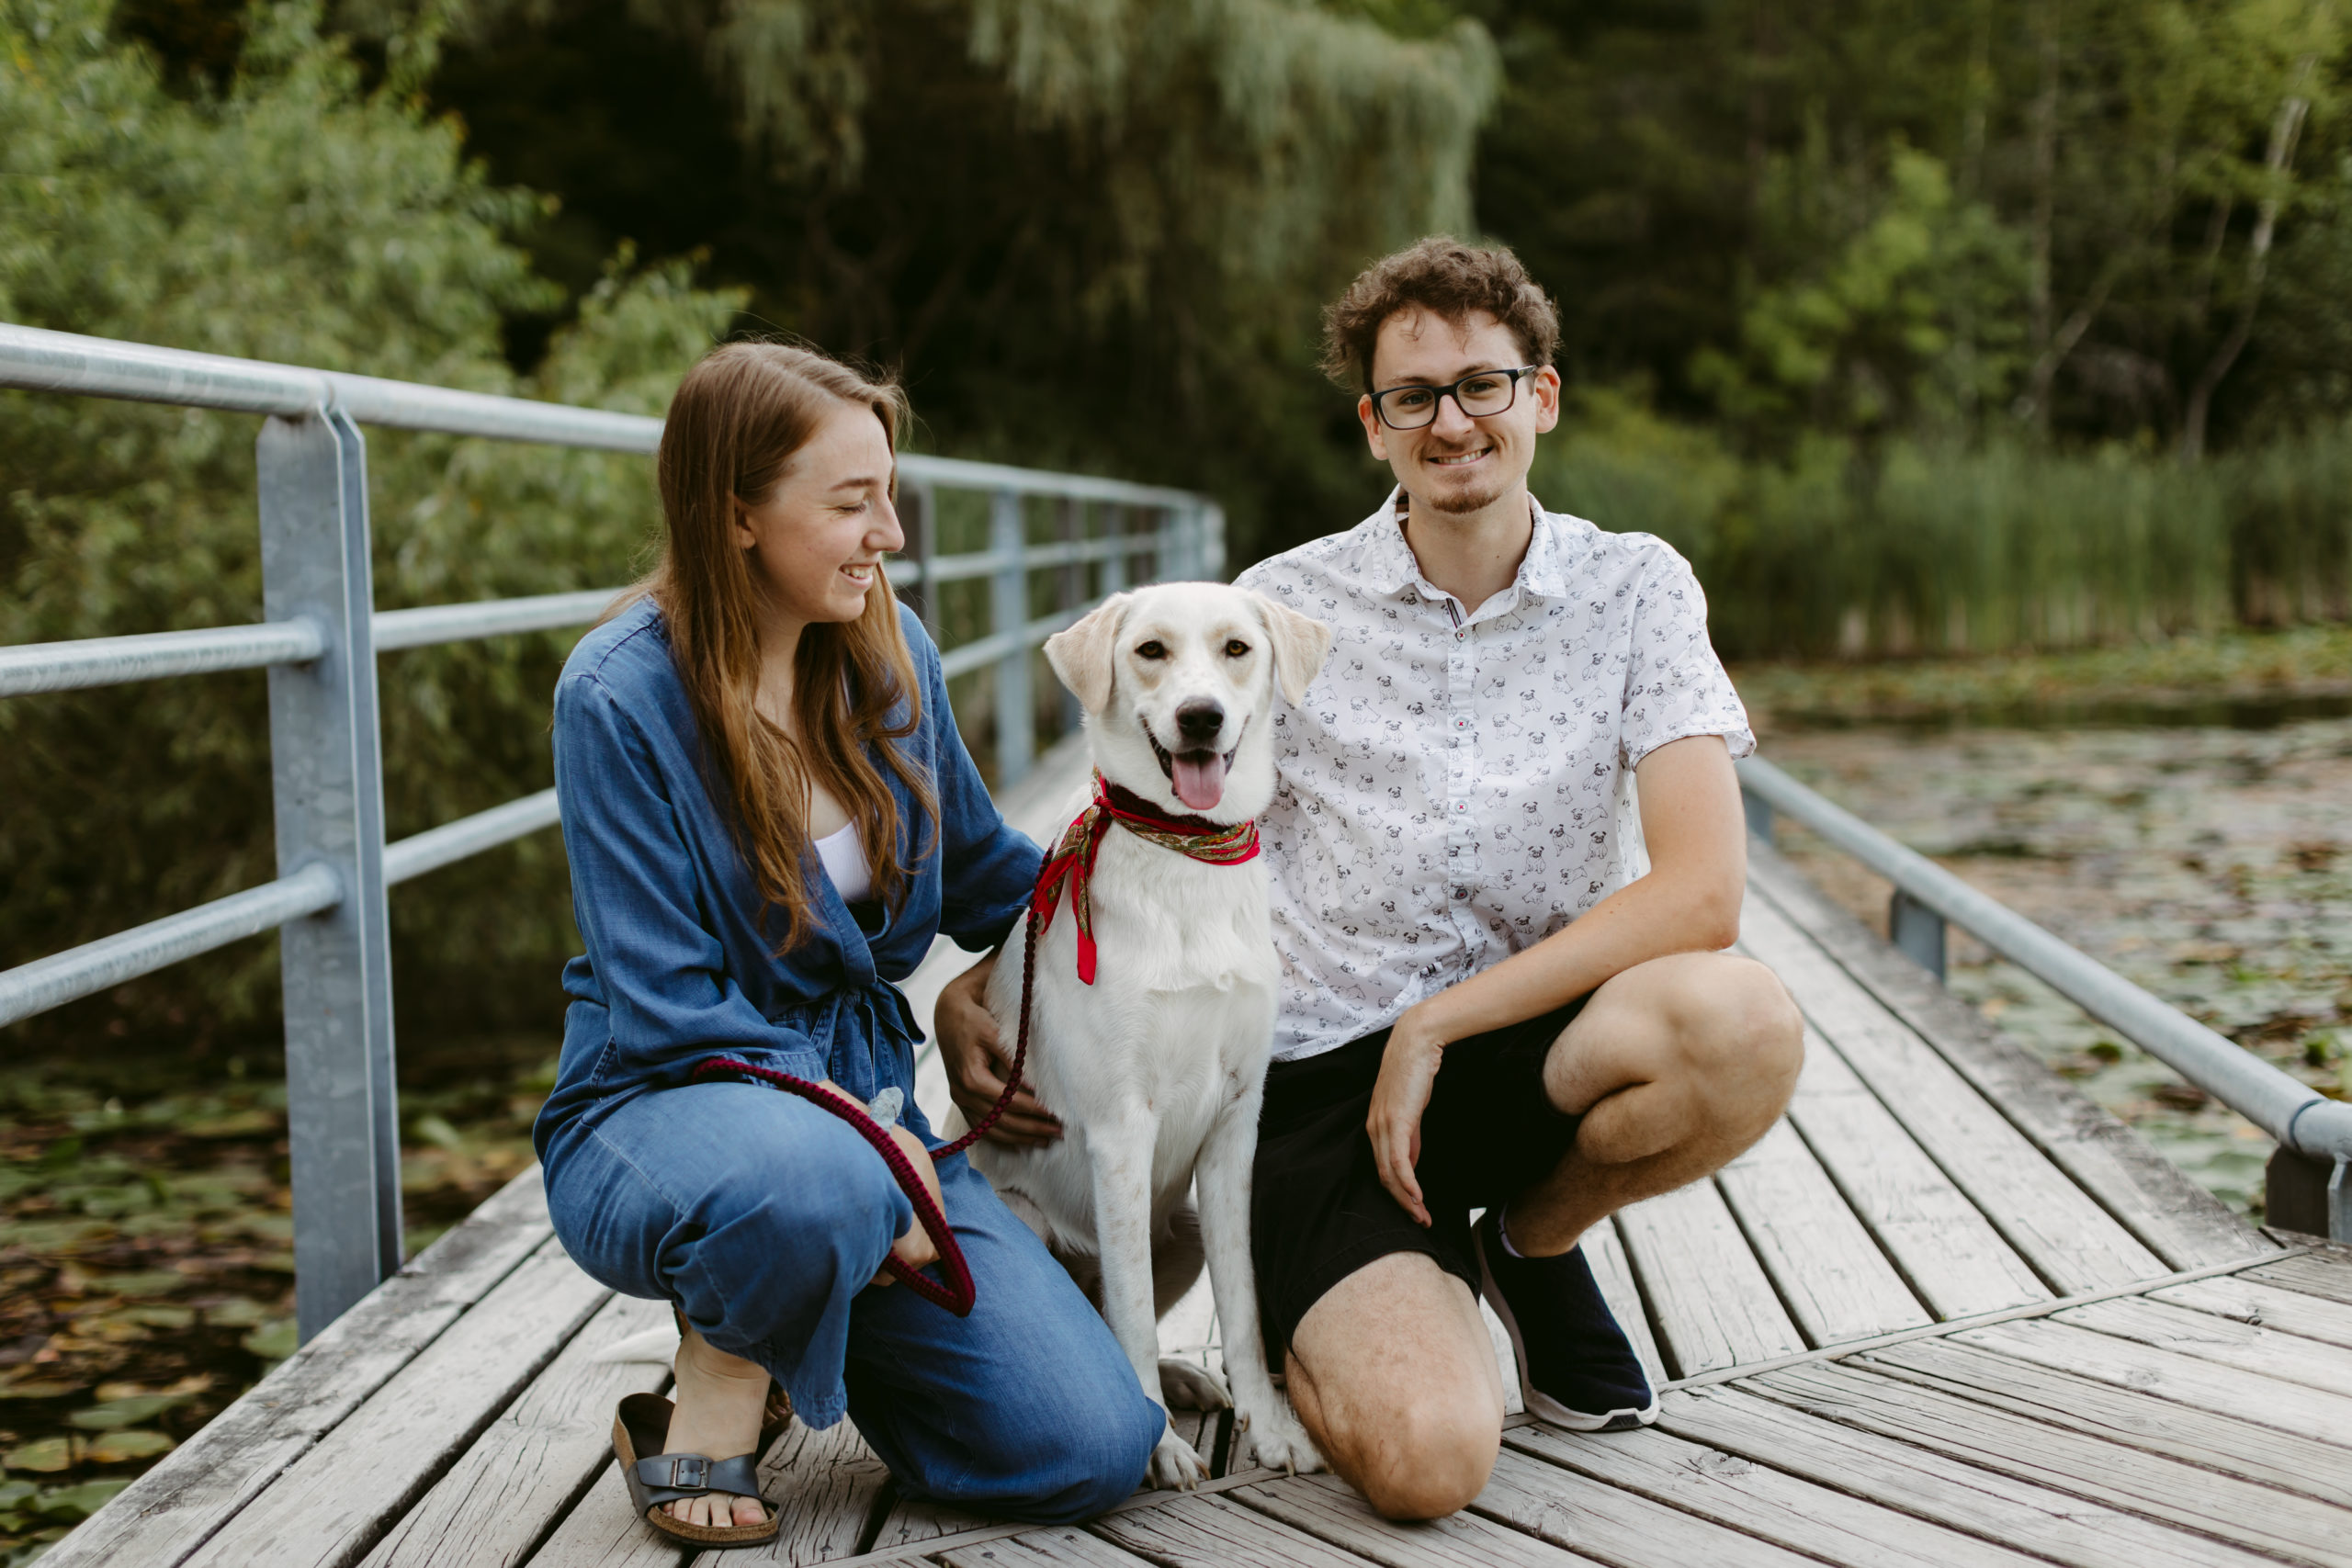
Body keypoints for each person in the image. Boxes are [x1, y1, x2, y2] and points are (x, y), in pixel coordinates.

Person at [935, 237, 1805, 1520]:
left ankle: (1530, 1243)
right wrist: (990, 977)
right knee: (1426, 1466)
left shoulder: (1637, 587)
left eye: (1484, 384)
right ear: (1374, 426)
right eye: (1415, 397)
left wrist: (1440, 1024)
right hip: (1314, 1088)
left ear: (1541, 397)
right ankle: (1326, 1300)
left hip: (1518, 1042)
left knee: (1746, 1022)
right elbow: (1156, 820)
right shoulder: (1276, 609)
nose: (1453, 422)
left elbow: (1703, 896)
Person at [535, 341, 1162, 1544]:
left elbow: (986, 873)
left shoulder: (894, 653)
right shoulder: (617, 696)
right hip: (665, 1101)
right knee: (808, 1183)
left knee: (1092, 1446)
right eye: (850, 503)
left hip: (869, 1122)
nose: (892, 534)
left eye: (891, 493)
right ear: (736, 516)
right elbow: (670, 1009)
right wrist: (878, 1150)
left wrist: (1153, 897)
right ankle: (718, 1384)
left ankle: (800, 1326)